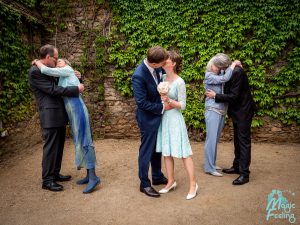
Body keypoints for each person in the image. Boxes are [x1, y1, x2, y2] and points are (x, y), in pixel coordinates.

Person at [33, 58, 101, 194]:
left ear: (67, 64)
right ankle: (89, 175)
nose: (58, 62)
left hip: (77, 108)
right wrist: (79, 77)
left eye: (61, 61)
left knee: (85, 140)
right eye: (57, 61)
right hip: (72, 110)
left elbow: (46, 70)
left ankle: (93, 177)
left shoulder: (67, 70)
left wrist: (37, 62)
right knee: (79, 141)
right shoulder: (63, 74)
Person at [28, 44, 84, 192]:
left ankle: (55, 173)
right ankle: (47, 180)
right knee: (51, 147)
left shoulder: (50, 69)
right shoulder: (35, 72)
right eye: (56, 58)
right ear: (47, 57)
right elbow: (52, 90)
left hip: (59, 113)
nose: (57, 60)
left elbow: (64, 80)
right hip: (50, 115)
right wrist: (75, 89)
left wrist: (77, 76)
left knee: (59, 146)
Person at [156, 51, 198, 200]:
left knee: (184, 153)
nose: (164, 61)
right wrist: (162, 101)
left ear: (173, 63)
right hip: (164, 118)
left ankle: (193, 184)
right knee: (166, 152)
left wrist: (169, 101)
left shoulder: (180, 82)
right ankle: (170, 182)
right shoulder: (161, 77)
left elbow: (183, 105)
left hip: (175, 119)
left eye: (166, 59)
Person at [132, 46, 170, 198]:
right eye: (162, 63)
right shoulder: (139, 75)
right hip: (147, 119)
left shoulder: (158, 70)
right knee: (146, 151)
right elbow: (141, 103)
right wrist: (162, 106)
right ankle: (144, 184)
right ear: (154, 64)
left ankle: (157, 175)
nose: (164, 66)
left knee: (157, 148)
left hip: (158, 117)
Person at [206, 66, 255, 185]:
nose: (213, 67)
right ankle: (236, 166)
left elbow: (234, 96)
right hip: (236, 111)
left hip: (243, 111)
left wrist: (215, 96)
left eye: (216, 65)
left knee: (243, 141)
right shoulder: (226, 71)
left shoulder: (237, 72)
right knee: (237, 140)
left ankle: (244, 174)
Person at [203, 53, 241, 177]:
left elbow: (225, 75)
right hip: (212, 110)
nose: (217, 69)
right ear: (211, 65)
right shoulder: (209, 75)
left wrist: (232, 64)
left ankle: (212, 164)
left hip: (221, 111)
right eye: (215, 66)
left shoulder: (219, 73)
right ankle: (209, 167)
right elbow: (225, 79)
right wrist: (233, 65)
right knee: (211, 140)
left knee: (215, 139)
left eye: (219, 67)